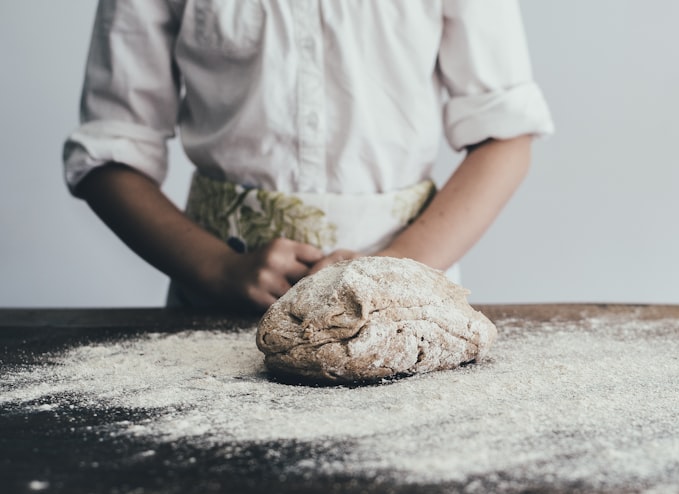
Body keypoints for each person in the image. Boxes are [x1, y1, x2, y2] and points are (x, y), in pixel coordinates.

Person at [64, 0, 553, 312]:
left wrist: (392, 271)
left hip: (407, 301)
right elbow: (109, 153)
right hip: (218, 303)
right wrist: (216, 269)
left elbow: (505, 136)